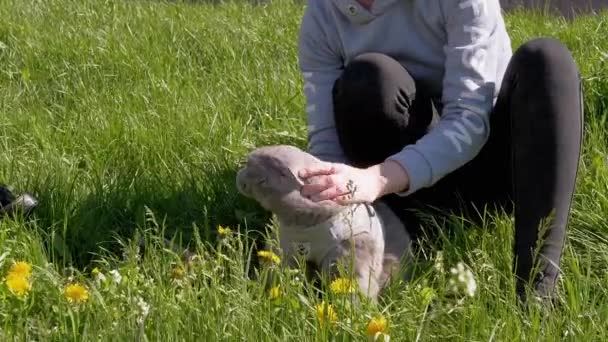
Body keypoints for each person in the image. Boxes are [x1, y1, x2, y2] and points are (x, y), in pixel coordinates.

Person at [295, 0, 584, 302]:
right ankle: (399, 236)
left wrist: (377, 179)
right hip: (407, 192)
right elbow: (328, 146)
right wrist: (320, 212)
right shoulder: (322, 15)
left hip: (494, 171)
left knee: (547, 60)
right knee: (369, 78)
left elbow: (470, 121)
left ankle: (537, 290)